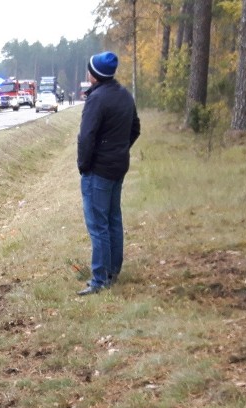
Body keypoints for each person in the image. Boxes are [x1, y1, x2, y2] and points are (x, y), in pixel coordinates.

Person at [76, 51, 141, 296]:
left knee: (98, 225)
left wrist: (84, 165)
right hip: (118, 167)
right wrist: (119, 149)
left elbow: (87, 137)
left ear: (94, 75)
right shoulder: (124, 95)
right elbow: (135, 128)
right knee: (113, 219)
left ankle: (100, 279)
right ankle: (113, 271)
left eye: (88, 70)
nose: (87, 73)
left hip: (99, 171)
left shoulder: (97, 99)